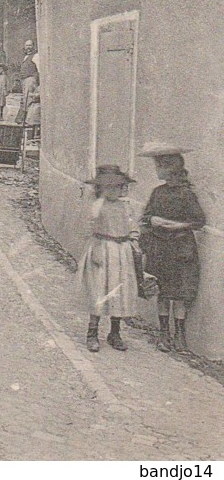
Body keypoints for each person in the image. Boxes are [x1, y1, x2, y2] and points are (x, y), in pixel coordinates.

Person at [138, 143, 206, 353]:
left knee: (180, 294)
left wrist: (177, 225)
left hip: (180, 249)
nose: (157, 171)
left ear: (170, 168)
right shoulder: (157, 192)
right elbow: (146, 217)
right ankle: (163, 334)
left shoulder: (187, 194)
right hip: (159, 248)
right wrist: (154, 220)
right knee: (163, 292)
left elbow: (198, 221)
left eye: (160, 167)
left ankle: (180, 335)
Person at [78, 164, 140, 353]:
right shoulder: (97, 206)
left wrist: (134, 239)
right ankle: (92, 333)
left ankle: (115, 332)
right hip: (103, 250)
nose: (113, 191)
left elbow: (132, 225)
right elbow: (90, 229)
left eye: (117, 187)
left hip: (121, 253)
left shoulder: (125, 206)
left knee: (118, 291)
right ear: (101, 188)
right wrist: (96, 248)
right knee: (100, 291)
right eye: (109, 187)